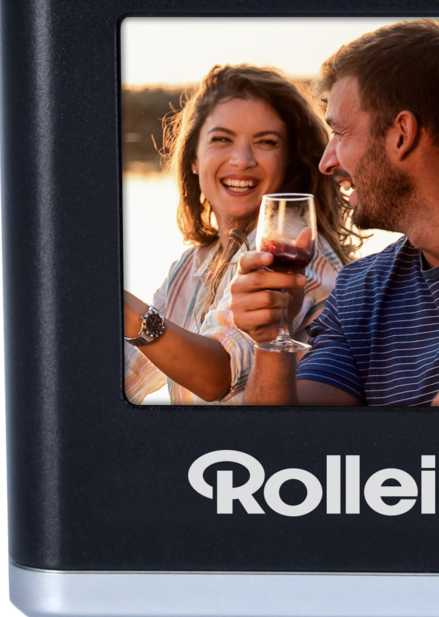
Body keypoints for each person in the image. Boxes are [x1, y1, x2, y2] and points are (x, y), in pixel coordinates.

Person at [232, 20, 439, 407]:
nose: (326, 163)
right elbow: (286, 438)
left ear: (402, 133)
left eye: (339, 133)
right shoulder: (357, 293)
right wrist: (270, 340)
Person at [124, 65, 357, 406]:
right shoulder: (191, 265)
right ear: (193, 158)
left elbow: (216, 376)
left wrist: (123, 307)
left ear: (287, 162)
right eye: (222, 139)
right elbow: (129, 371)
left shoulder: (295, 252)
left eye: (266, 142)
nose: (242, 159)